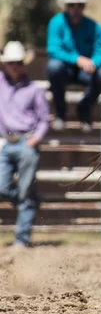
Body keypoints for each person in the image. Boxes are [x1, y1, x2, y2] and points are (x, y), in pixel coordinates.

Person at [0, 41, 49, 248]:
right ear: (6, 64)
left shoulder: (35, 90)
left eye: (18, 62)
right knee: (3, 187)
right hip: (4, 142)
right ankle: (26, 201)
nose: (15, 66)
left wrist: (35, 140)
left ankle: (22, 238)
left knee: (26, 189)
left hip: (26, 141)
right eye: (11, 63)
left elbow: (44, 119)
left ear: (23, 64)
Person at [46, 0, 101, 133]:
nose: (75, 9)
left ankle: (85, 107)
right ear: (66, 6)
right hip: (65, 70)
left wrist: (93, 63)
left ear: (84, 7)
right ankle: (60, 112)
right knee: (54, 67)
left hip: (86, 71)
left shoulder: (94, 26)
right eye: (71, 5)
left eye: (79, 5)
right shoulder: (56, 23)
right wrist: (77, 59)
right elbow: (53, 49)